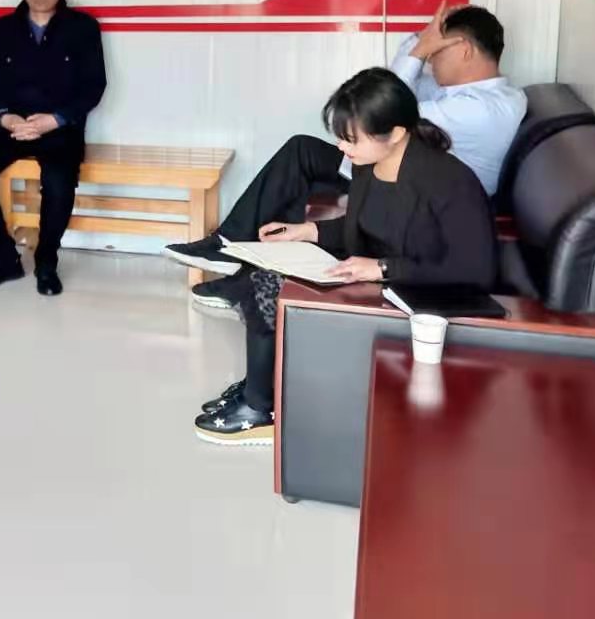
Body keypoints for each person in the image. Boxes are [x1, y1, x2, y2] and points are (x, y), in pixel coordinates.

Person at [194, 68, 497, 445]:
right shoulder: (369, 165)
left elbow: (475, 270)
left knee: (267, 287)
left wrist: (383, 268)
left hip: (425, 302)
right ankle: (263, 387)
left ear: (395, 133)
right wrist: (308, 231)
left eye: (351, 138)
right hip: (385, 279)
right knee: (260, 270)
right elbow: (370, 226)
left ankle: (261, 410)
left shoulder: (448, 181)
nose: (340, 147)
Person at [163, 3, 524, 308]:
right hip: (394, 172)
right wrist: (419, 42)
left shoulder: (485, 108)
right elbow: (391, 93)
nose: (430, 62)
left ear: (463, 49)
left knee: (303, 153)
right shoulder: (452, 93)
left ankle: (232, 255)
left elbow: (383, 111)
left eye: (437, 52)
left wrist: (417, 53)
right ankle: (234, 252)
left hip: (425, 200)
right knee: (302, 150)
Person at [0, 0, 106, 297]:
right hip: (13, 126)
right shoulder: (3, 29)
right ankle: (2, 258)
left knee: (58, 183)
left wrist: (56, 119)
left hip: (59, 128)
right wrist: (5, 117)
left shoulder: (83, 28)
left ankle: (46, 262)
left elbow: (94, 86)